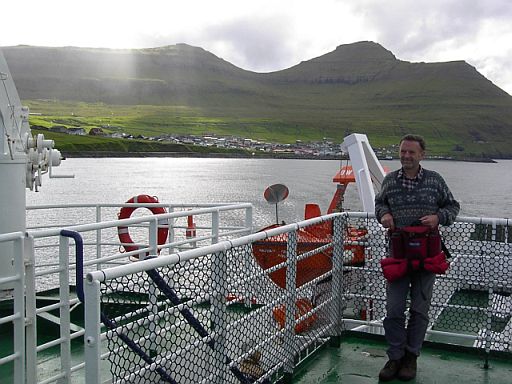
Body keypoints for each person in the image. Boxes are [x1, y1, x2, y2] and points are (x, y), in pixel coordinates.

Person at [374, 134, 460, 382]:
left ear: (422, 154)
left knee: (420, 311)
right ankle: (395, 357)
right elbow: (379, 204)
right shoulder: (390, 181)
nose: (406, 156)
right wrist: (384, 215)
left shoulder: (435, 181)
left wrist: (438, 218)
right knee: (393, 310)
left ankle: (411, 357)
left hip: (426, 258)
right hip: (398, 256)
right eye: (403, 152)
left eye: (411, 152)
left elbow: (452, 207)